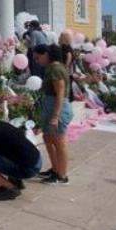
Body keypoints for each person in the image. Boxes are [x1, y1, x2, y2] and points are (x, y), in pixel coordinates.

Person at [34, 44, 73, 184]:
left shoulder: (56, 69)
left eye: (38, 57)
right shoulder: (52, 68)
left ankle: (62, 176)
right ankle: (55, 169)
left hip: (58, 109)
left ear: (46, 54)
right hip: (51, 106)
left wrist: (56, 116)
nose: (36, 60)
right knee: (48, 138)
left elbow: (60, 93)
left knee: (59, 142)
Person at [58, 31, 76, 102]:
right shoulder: (69, 46)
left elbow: (69, 56)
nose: (59, 38)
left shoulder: (65, 47)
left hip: (67, 69)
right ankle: (70, 98)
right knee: (69, 83)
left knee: (67, 84)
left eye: (60, 36)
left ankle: (68, 99)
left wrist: (65, 66)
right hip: (70, 69)